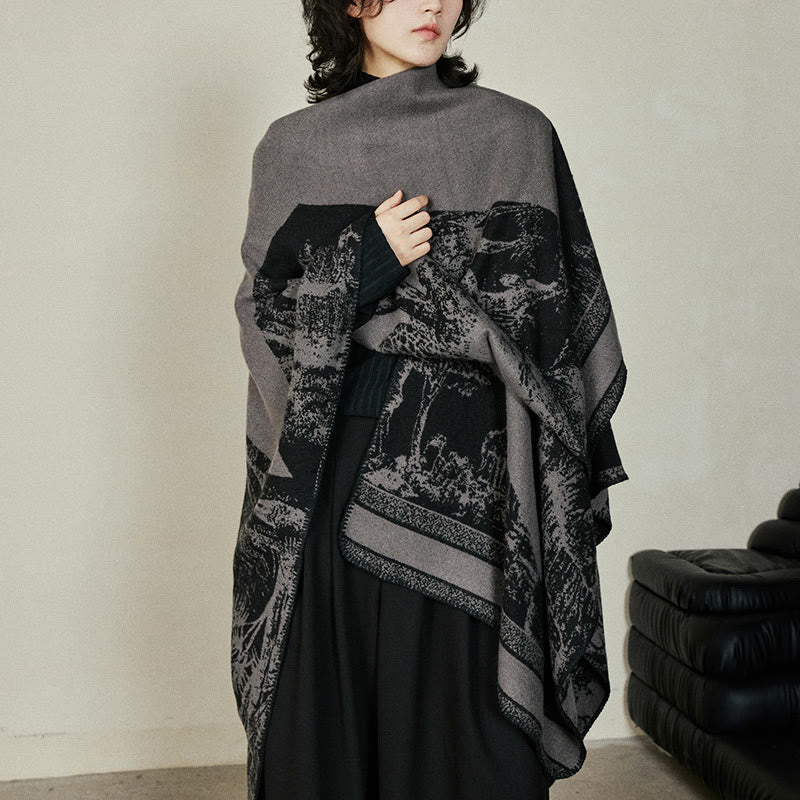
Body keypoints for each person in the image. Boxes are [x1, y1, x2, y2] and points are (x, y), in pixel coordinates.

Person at [233, 1, 628, 798]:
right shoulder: (294, 148)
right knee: (327, 746)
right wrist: (366, 263)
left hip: (479, 484)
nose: (433, 4)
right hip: (332, 479)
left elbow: (556, 331)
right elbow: (265, 320)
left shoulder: (515, 135)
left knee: (472, 749)